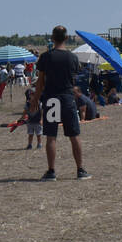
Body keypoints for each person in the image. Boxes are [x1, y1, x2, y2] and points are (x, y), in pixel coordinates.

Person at [33, 25, 89, 181]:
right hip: (67, 98)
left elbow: (40, 82)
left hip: (51, 98)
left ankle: (51, 171)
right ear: (66, 38)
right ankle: (80, 170)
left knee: (51, 136)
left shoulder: (45, 57)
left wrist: (35, 100)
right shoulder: (73, 58)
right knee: (74, 135)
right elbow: (73, 80)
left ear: (52, 38)